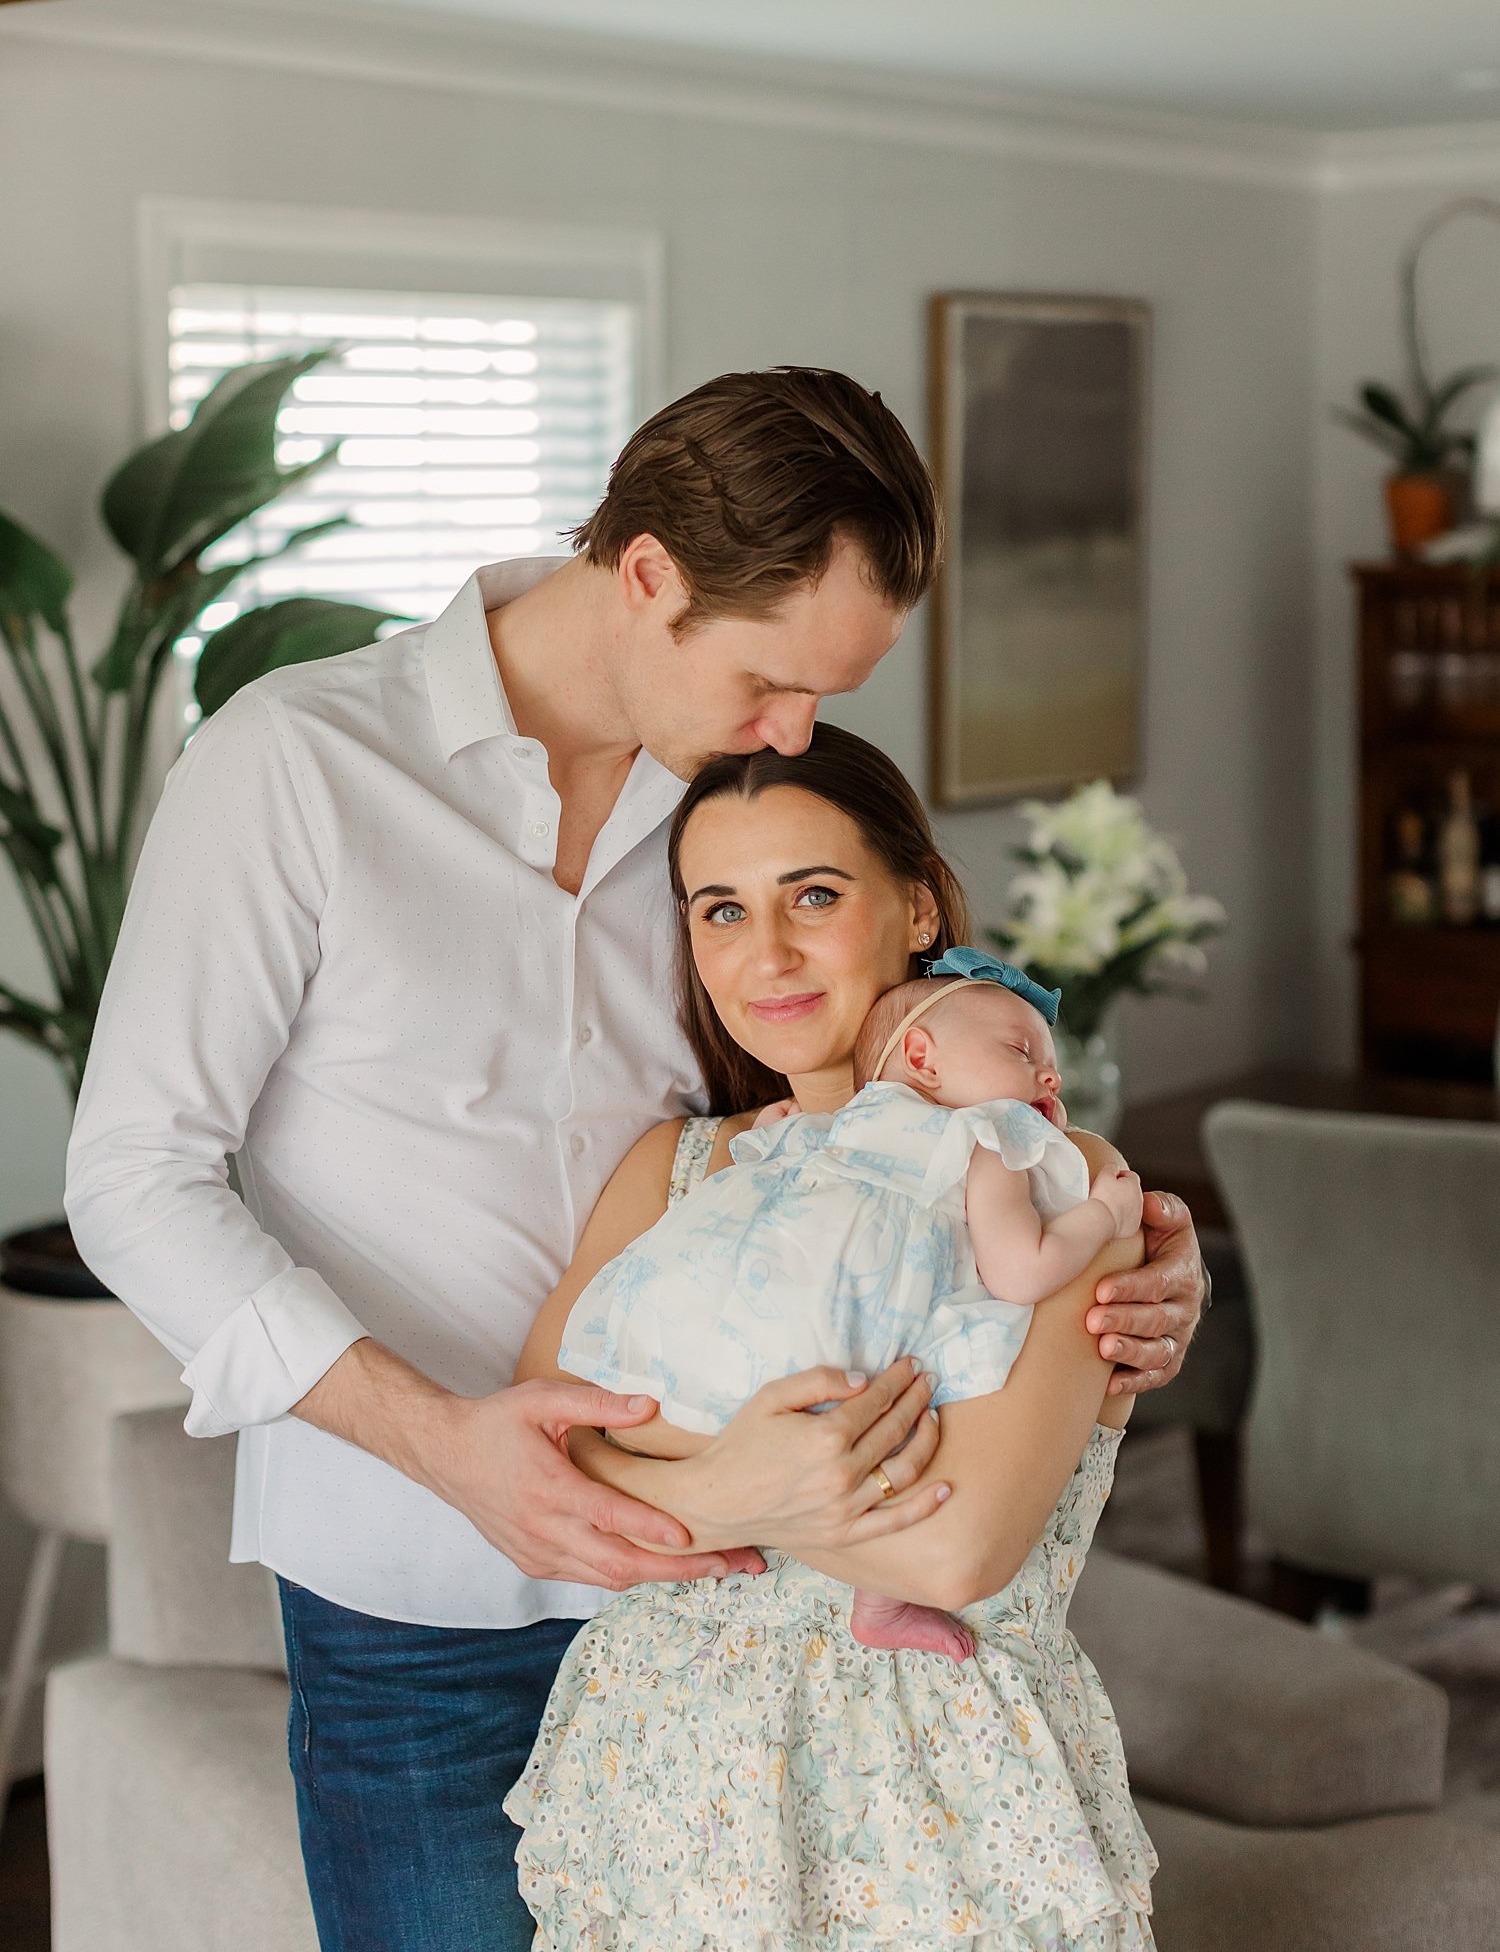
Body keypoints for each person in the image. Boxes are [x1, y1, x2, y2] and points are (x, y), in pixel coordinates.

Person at [65, 368, 1204, 1951]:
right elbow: (131, 1174)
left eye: (825, 694)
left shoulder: (738, 809)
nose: (799, 728)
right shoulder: (296, 765)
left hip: (760, 1596)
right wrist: (448, 1440)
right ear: (652, 573)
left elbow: (916, 1090)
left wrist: (1136, 1235)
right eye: (774, 681)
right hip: (423, 1605)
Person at [506, 728, 1160, 1949]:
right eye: (720, 911)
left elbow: (960, 1551)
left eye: (813, 894)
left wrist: (681, 1491)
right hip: (664, 1789)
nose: (767, 955)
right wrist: (750, 1481)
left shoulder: (1051, 1175)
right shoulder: (675, 1170)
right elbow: (537, 1462)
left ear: (916, 906)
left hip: (930, 1803)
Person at [556, 944, 1144, 1662]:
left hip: (752, 1331)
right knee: (908, 1413)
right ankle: (880, 1597)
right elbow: (1022, 1270)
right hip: (852, 1347)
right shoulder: (989, 1137)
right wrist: (1102, 1218)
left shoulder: (828, 1128)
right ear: (923, 1057)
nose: (1049, 1074)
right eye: (1022, 1051)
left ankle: (729, 1484)